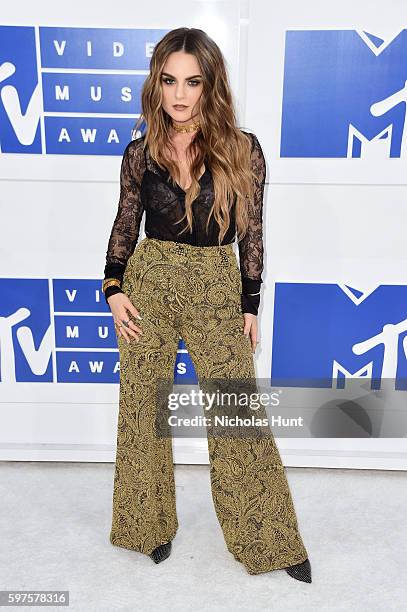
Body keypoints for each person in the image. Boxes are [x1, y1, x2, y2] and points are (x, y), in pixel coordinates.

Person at [102, 27, 311, 582]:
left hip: (216, 283)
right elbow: (127, 223)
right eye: (169, 80)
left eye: (192, 82)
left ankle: (270, 541)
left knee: (236, 414)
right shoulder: (139, 153)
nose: (178, 94)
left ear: (209, 84)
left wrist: (250, 302)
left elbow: (252, 231)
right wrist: (113, 287)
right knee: (144, 411)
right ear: (156, 84)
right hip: (150, 280)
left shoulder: (243, 149)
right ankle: (147, 527)